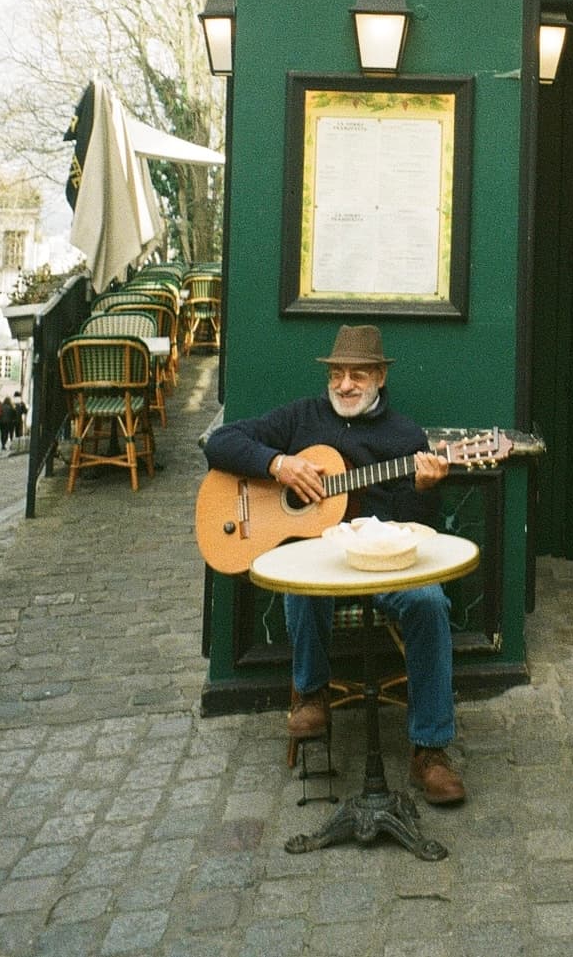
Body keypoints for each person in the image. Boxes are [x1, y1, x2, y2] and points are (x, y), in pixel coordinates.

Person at [203, 325, 464, 805]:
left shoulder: (405, 435)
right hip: (319, 561)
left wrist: (425, 490)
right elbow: (219, 443)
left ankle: (430, 750)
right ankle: (312, 694)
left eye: (358, 375)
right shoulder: (301, 418)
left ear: (380, 377)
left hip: (380, 565)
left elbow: (415, 528)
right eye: (338, 374)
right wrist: (278, 465)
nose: (345, 385)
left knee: (429, 601)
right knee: (301, 575)